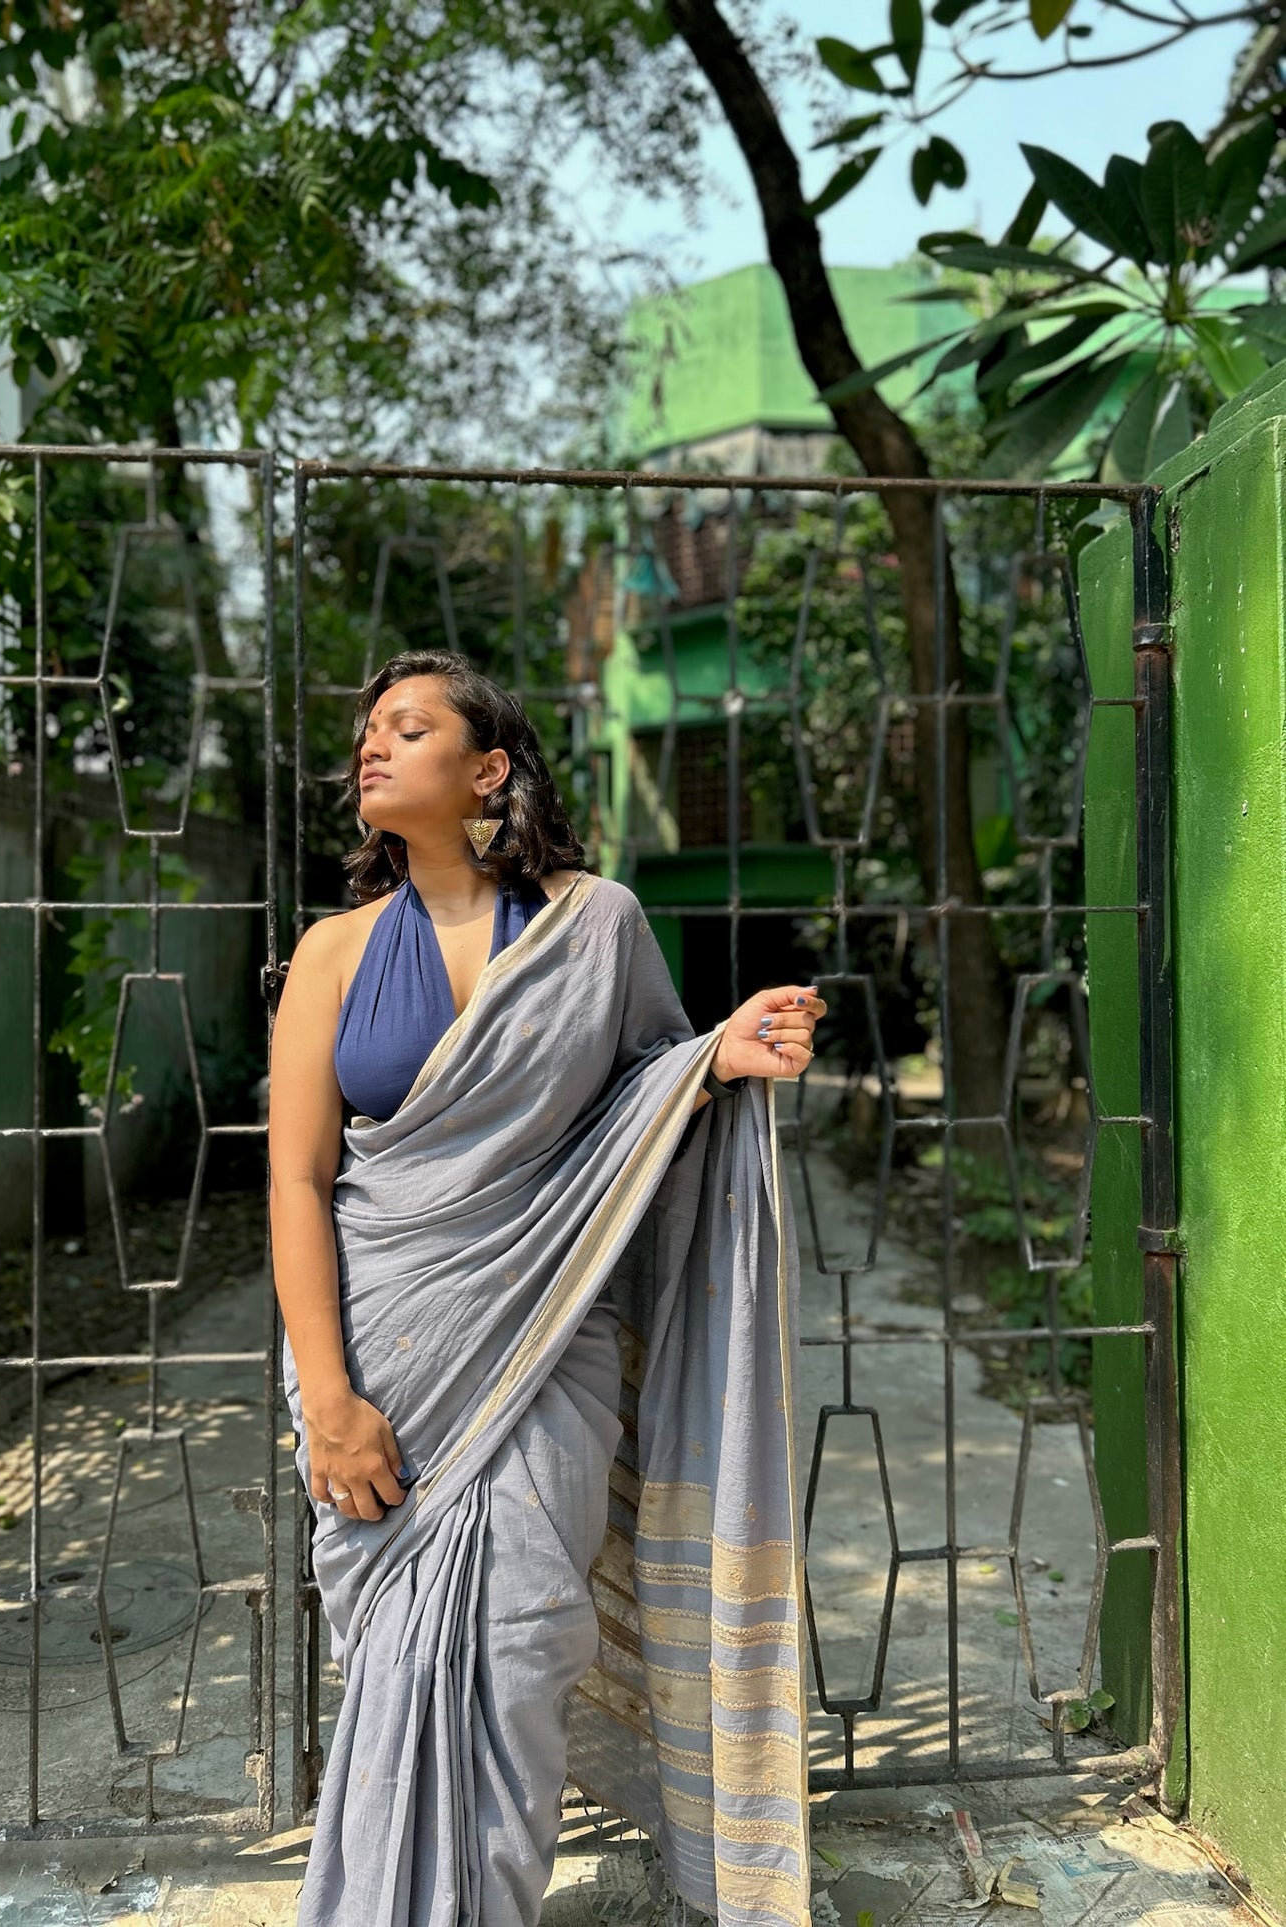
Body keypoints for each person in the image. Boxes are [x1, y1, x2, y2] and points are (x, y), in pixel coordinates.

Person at [268, 648, 826, 1927]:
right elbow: (298, 1183)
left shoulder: (597, 924)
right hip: (384, 1352)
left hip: (543, 1343)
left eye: (408, 728)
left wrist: (719, 1059)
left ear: (487, 768)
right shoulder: (334, 952)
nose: (372, 746)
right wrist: (331, 1398)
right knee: (397, 1668)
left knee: (519, 1646)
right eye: (367, 731)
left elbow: (645, 1102)